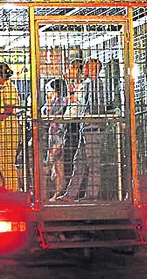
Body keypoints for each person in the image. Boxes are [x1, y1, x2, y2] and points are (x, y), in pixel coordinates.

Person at [57, 58, 103, 201]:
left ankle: (91, 195)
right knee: (79, 161)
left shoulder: (96, 84)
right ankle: (72, 193)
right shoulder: (88, 84)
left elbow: (96, 105)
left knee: (92, 162)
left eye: (87, 67)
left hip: (92, 127)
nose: (84, 70)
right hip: (85, 126)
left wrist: (89, 114)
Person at [0, 62, 22, 191]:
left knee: (6, 163)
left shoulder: (9, 88)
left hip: (9, 129)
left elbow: (9, 110)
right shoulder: (1, 88)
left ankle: (13, 191)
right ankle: (4, 190)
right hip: (1, 130)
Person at [41, 78, 69, 201]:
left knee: (58, 165)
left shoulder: (61, 101)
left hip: (59, 136)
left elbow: (50, 115)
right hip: (54, 135)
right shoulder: (54, 101)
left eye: (49, 89)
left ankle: (59, 191)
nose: (48, 92)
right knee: (55, 165)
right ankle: (57, 191)